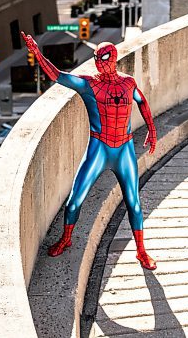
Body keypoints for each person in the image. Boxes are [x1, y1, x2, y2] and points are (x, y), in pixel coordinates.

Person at [21, 32, 157, 270]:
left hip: (124, 148)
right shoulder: (88, 84)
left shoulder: (128, 82)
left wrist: (152, 129)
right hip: (99, 147)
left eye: (103, 58)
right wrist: (37, 54)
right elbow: (58, 76)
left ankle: (141, 251)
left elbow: (142, 101)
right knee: (74, 200)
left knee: (134, 202)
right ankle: (66, 237)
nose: (99, 63)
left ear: (113, 59)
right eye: (96, 58)